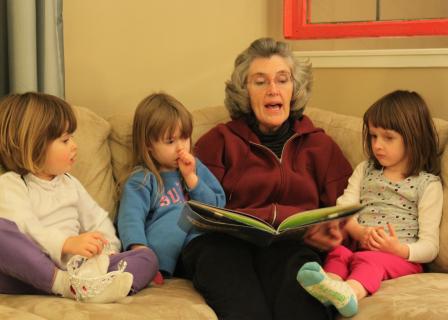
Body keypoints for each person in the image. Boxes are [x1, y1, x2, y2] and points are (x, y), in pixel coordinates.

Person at [181, 38, 353, 320]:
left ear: (294, 89)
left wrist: (333, 230)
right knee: (234, 285)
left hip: (292, 245)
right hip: (227, 246)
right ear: (244, 92)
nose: (273, 89)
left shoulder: (320, 146)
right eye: (260, 82)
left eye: (282, 80)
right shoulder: (218, 141)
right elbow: (194, 206)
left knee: (300, 286)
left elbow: (345, 207)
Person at [0, 92, 158, 303]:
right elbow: (27, 229)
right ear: (33, 145)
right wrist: (66, 244)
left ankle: (95, 289)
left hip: (79, 268)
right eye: (65, 140)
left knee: (147, 257)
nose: (74, 145)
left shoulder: (70, 183)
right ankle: (64, 284)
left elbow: (99, 221)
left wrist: (106, 250)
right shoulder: (12, 184)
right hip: (29, 270)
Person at [297, 90, 443, 317]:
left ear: (413, 137)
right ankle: (328, 285)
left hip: (400, 259)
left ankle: (350, 293)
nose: (377, 145)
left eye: (388, 137)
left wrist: (398, 249)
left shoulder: (427, 184)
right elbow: (343, 208)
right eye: (374, 136)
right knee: (339, 252)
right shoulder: (365, 170)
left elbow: (430, 247)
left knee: (367, 260)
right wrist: (357, 230)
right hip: (360, 247)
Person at [116, 92, 225, 278]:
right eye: (170, 141)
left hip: (198, 247)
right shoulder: (142, 179)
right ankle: (151, 269)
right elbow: (130, 219)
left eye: (184, 138)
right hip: (162, 252)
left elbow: (217, 207)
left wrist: (191, 178)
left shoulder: (195, 168)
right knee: (180, 215)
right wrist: (140, 251)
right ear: (148, 144)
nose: (181, 147)